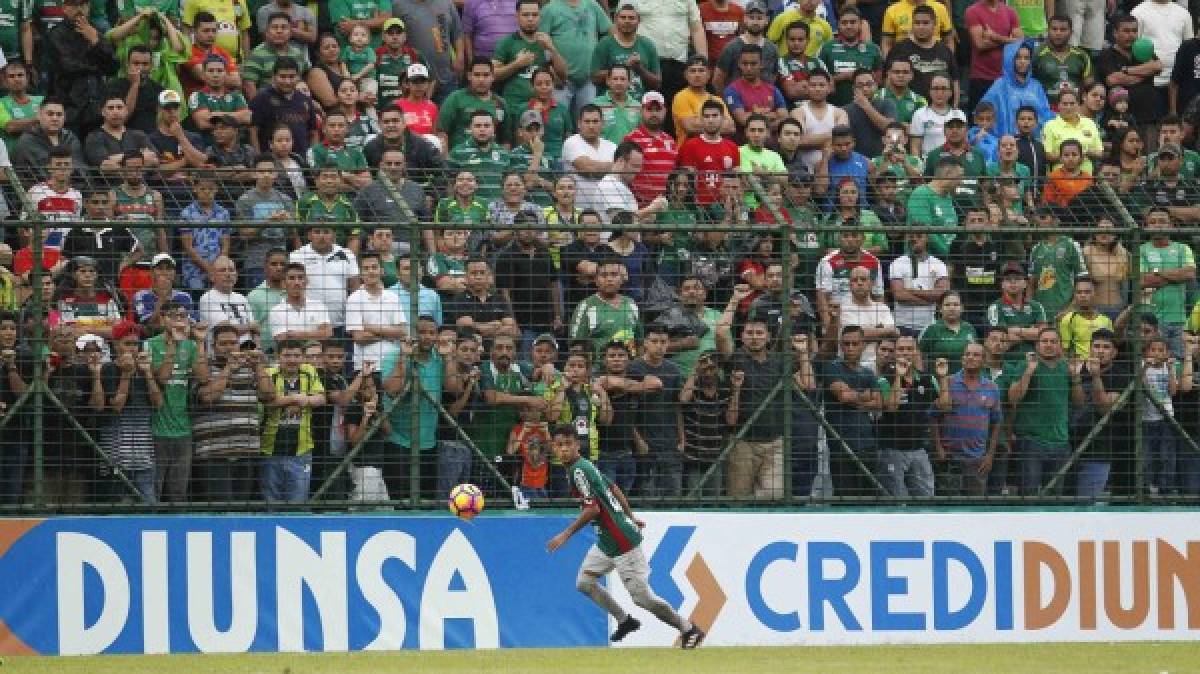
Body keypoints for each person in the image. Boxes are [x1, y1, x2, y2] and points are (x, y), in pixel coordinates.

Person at [545, 423, 705, 648]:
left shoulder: (579, 470)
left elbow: (593, 509)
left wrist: (566, 534)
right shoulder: (584, 466)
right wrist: (630, 516)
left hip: (622, 542)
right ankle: (625, 621)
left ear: (577, 445)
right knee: (584, 582)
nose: (563, 450)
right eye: (559, 445)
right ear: (553, 447)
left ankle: (689, 629)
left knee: (643, 598)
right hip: (606, 541)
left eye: (568, 445)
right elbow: (613, 488)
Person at [194, 324, 274, 502]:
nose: (229, 347)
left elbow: (269, 395)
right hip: (214, 454)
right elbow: (209, 397)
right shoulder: (204, 369)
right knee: (220, 509)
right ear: (213, 347)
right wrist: (229, 369)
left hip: (247, 451)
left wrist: (258, 366)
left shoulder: (250, 369)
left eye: (233, 343)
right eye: (223, 344)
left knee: (242, 509)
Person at [1002, 328, 1084, 495]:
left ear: (1060, 346)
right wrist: (1028, 373)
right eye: (1044, 341)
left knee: (1055, 497)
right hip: (1031, 442)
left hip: (1060, 441)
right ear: (1037, 345)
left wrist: (1075, 378)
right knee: (1028, 494)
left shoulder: (1066, 367)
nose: (1049, 345)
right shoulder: (1025, 365)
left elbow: (1079, 403)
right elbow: (1013, 398)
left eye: (1053, 342)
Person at [876, 335, 950, 498]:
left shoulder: (927, 379)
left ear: (916, 352)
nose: (905, 353)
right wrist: (898, 376)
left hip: (919, 449)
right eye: (901, 349)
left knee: (926, 497)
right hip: (892, 449)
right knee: (896, 500)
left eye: (909, 349)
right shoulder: (884, 379)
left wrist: (943, 377)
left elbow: (945, 406)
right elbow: (892, 407)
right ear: (895, 353)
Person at [936, 342, 1003, 495]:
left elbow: (997, 422)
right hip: (950, 459)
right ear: (962, 359)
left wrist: (990, 456)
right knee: (948, 510)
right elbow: (934, 417)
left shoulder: (992, 388)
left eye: (976, 355)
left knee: (975, 510)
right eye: (967, 354)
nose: (970, 357)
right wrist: (938, 448)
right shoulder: (947, 382)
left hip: (977, 460)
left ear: (984, 361)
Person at [1096, 15, 1164, 149]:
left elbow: (1158, 66)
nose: (1131, 35)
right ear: (1115, 33)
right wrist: (1145, 72)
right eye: (1126, 31)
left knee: (1148, 157)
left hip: (1148, 117)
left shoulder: (1143, 52)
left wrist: (1126, 70)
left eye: (1134, 31)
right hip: (1120, 120)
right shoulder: (1107, 55)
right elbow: (1113, 80)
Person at [1140, 207, 1196, 358]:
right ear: (1146, 226)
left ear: (1171, 225)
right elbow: (1143, 280)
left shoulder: (1183, 248)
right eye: (1153, 222)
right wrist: (1177, 274)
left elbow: (1190, 273)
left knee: (1180, 362)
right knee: (1153, 362)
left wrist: (1156, 272)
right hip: (1152, 321)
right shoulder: (1140, 250)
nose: (1157, 225)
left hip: (1179, 318)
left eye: (1162, 221)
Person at [249, 58, 320, 156]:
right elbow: (253, 131)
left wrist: (312, 158)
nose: (287, 81)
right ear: (273, 77)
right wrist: (259, 159)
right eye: (282, 77)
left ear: (298, 77)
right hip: (272, 163)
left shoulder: (305, 100)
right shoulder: (262, 98)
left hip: (301, 162)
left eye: (291, 77)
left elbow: (313, 132)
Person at [964, 0, 1023, 113]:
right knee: (979, 120)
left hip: (1006, 77)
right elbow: (980, 44)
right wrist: (1008, 40)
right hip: (981, 77)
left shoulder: (1010, 12)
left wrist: (995, 37)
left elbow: (1020, 42)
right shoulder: (973, 11)